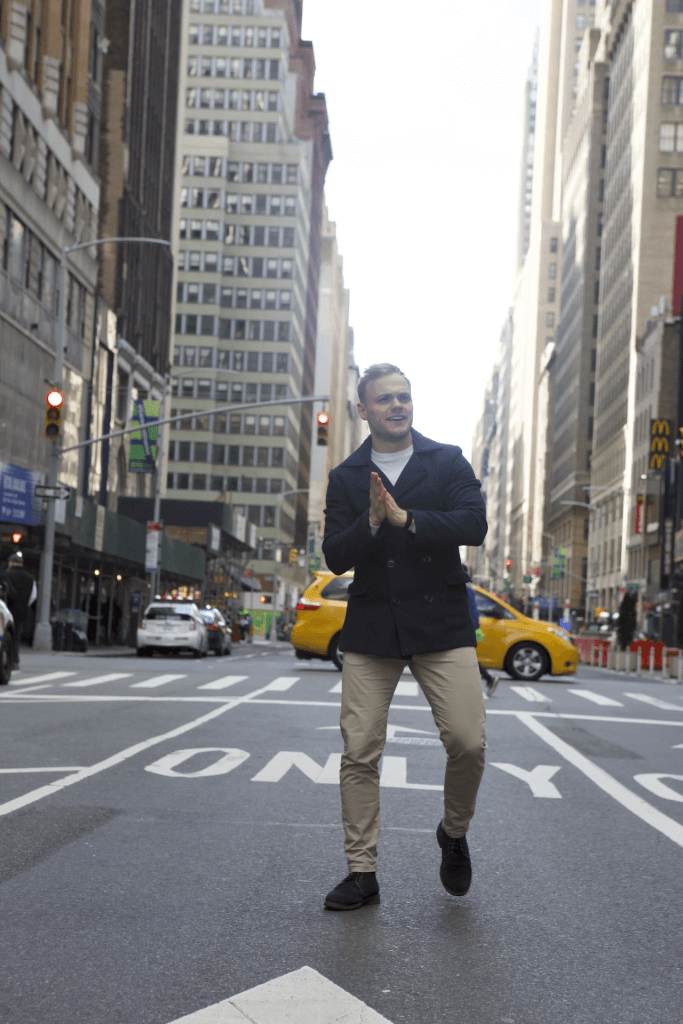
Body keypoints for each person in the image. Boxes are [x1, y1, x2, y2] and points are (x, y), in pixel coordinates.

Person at [322, 363, 488, 911]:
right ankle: (361, 871)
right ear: (364, 410)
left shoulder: (446, 460)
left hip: (441, 622)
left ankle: (453, 832)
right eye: (385, 399)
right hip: (372, 625)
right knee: (359, 750)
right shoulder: (347, 475)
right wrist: (371, 522)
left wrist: (407, 518)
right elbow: (335, 555)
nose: (397, 405)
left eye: (404, 397)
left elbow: (474, 525)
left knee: (467, 741)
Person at [464, 577, 499, 697]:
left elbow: (471, 609)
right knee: (466, 657)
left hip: (466, 628)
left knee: (466, 657)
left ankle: (489, 679)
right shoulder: (467, 587)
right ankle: (488, 679)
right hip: (469, 627)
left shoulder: (464, 588)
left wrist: (475, 628)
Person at [6, 552, 37, 667]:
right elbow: (33, 596)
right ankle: (15, 660)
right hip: (21, 611)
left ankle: (7, 660)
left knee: (5, 635)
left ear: (11, 563)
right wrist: (24, 605)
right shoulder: (30, 578)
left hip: (7, 609)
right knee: (16, 635)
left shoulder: (7, 575)